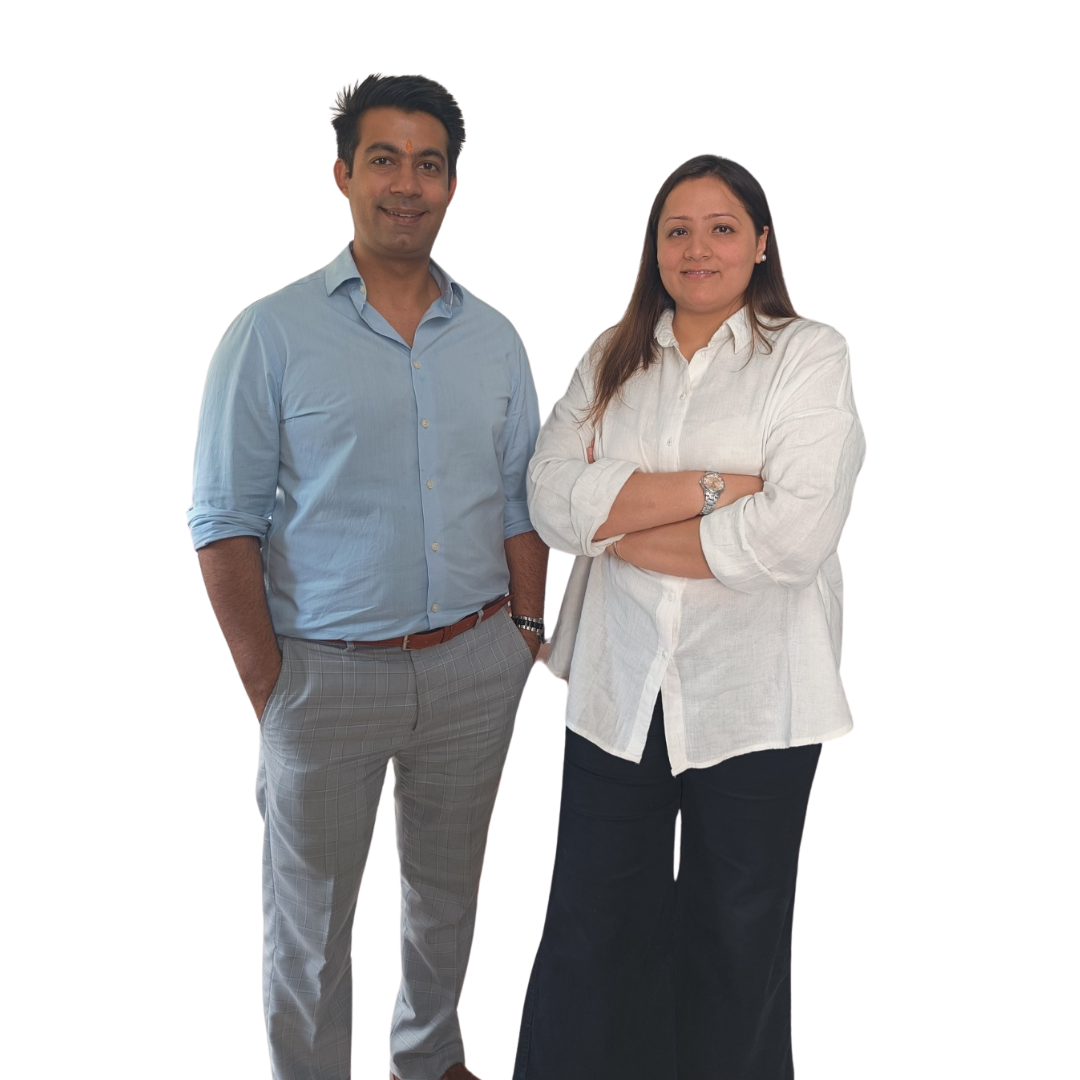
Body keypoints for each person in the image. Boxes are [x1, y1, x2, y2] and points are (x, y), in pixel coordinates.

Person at [186, 73, 548, 1080]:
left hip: (475, 666)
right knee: (309, 928)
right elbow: (222, 523)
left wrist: (524, 633)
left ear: (453, 185)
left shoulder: (495, 337)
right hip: (323, 677)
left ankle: (428, 1057)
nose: (407, 183)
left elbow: (524, 500)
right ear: (343, 174)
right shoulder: (268, 334)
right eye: (383, 159)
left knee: (449, 897)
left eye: (429, 164)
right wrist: (271, 687)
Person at [514, 154, 865, 1080]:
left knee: (736, 935)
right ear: (654, 247)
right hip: (618, 685)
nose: (697, 247)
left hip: (757, 697)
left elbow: (793, 535)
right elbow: (550, 501)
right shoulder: (611, 354)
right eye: (677, 229)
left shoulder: (810, 353)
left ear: (761, 243)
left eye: (721, 228)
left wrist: (621, 529)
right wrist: (716, 490)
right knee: (592, 925)